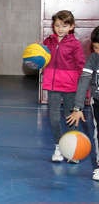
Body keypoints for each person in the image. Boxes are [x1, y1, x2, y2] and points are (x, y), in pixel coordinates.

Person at [42, 10, 85, 162]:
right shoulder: (48, 41)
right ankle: (59, 146)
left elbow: (81, 66)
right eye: (57, 25)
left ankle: (73, 150)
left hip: (70, 87)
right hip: (53, 86)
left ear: (71, 26)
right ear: (53, 26)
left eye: (64, 25)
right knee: (53, 119)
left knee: (70, 118)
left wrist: (83, 89)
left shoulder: (75, 44)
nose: (60, 29)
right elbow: (42, 58)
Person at [66, 26, 99, 180]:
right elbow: (84, 81)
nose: (98, 51)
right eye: (95, 48)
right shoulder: (93, 59)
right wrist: (78, 107)